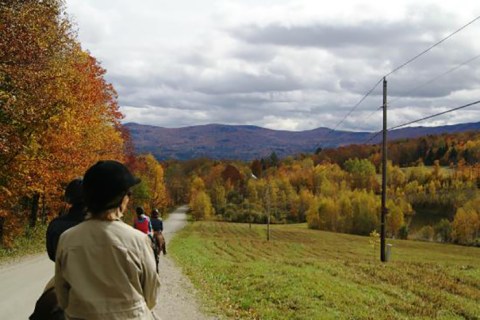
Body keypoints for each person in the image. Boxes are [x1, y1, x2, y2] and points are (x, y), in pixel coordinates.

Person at [55, 160, 160, 320]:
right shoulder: (139, 240)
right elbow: (151, 296)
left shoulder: (67, 238)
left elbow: (62, 298)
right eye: (128, 194)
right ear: (121, 199)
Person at [46, 178, 86, 262]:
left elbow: (52, 255)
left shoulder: (55, 225)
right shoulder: (100, 225)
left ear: (68, 198)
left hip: (65, 272)